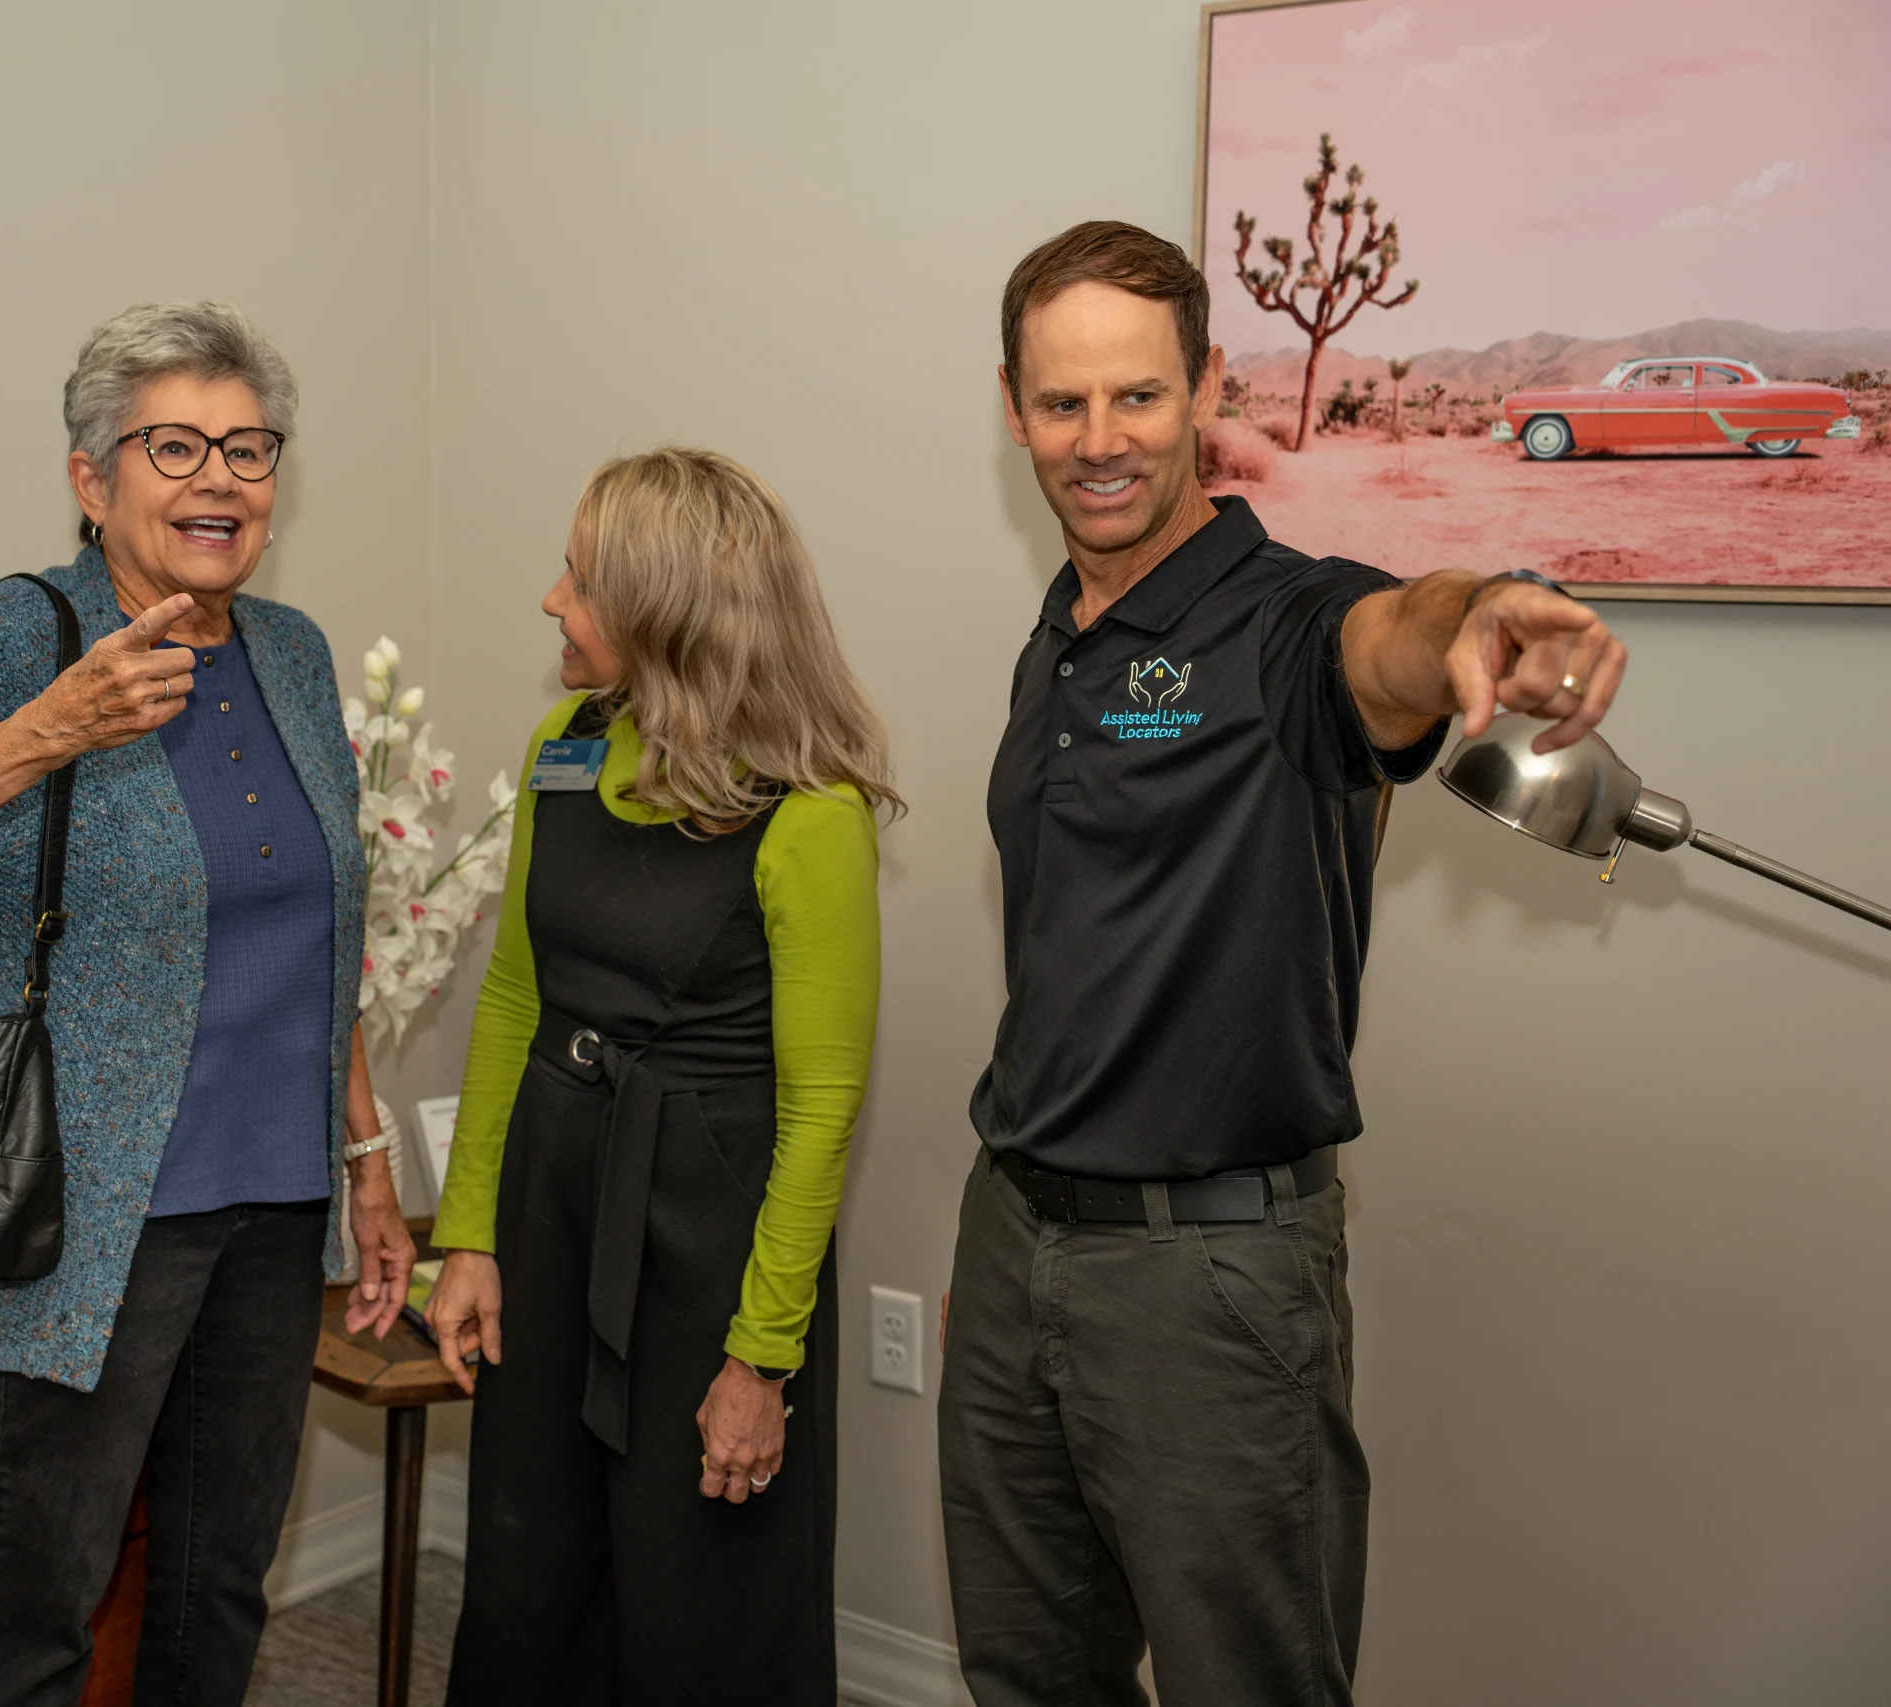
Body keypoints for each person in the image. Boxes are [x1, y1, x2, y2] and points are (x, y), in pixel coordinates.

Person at [939, 221, 1629, 1707]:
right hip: (1019, 1235)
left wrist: (1481, 604)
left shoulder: (1284, 621)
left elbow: (1395, 638)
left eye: (1138, 396)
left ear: (1207, 390)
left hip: (1209, 1273)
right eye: (1064, 404)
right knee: (1026, 1673)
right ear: (1013, 406)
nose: (1100, 441)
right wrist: (1015, 1245)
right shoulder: (1059, 637)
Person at [0, 300, 414, 1707]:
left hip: (272, 1211)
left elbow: (325, 932)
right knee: (38, 1616)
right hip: (80, 1222)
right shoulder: (23, 633)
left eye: (249, 447)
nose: (219, 478)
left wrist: (366, 1162)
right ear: (93, 478)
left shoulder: (296, 651)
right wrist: (45, 731)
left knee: (215, 1595)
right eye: (175, 444)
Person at [424, 449, 894, 1705]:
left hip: (712, 1249)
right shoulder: (564, 747)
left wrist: (761, 1360)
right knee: (530, 1578)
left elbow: (819, 1113)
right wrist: (470, 1235)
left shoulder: (812, 816)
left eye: (577, 577)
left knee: (702, 1605)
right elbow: (515, 996)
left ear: (661, 609)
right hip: (553, 1207)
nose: (550, 601)